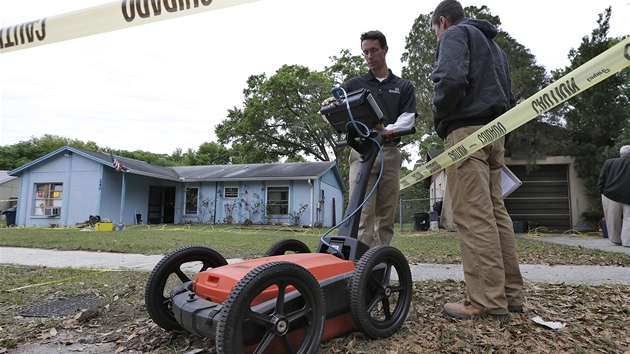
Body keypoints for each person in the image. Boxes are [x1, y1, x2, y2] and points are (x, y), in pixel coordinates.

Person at [430, 0, 523, 321]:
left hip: (467, 134)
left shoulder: (454, 35)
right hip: (495, 135)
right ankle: (511, 295)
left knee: (473, 217)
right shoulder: (496, 50)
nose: (437, 38)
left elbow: (451, 80)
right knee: (496, 216)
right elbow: (510, 98)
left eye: (435, 32)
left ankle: (486, 300)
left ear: (443, 22)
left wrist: (440, 117)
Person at [323, 30, 417, 248]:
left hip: (389, 152)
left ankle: (379, 264)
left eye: (374, 50)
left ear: (385, 49)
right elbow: (336, 117)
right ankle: (360, 268)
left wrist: (386, 129)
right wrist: (330, 107)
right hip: (362, 152)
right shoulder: (354, 85)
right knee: (362, 215)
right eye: (365, 52)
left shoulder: (403, 86)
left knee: (385, 215)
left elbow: (408, 119)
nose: (369, 56)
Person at [598, 145, 630, 247]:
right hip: (628, 196)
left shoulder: (609, 162)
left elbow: (602, 178)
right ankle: (627, 241)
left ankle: (615, 240)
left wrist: (601, 191)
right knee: (629, 218)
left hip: (611, 195)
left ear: (621, 153)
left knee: (612, 219)